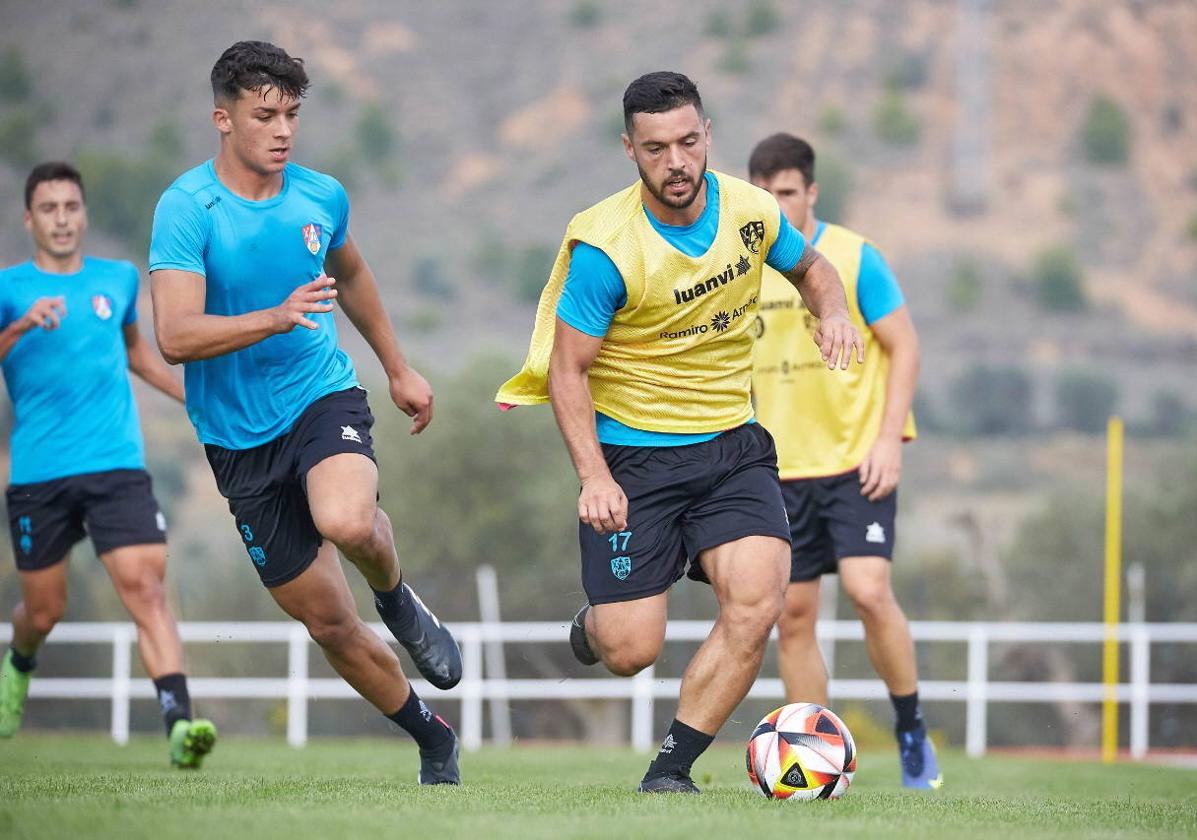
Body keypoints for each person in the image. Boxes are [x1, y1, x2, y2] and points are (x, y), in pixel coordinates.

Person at [497, 72, 862, 794]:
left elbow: (811, 268)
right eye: (657, 147)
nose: (677, 163)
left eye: (689, 143)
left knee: (759, 603)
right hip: (633, 458)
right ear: (629, 149)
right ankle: (597, 624)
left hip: (731, 445)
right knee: (631, 649)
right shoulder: (606, 249)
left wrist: (834, 312)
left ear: (707, 139)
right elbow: (569, 373)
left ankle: (670, 770)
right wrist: (594, 476)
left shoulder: (752, 212)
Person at [148, 41, 462, 784]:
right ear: (223, 120)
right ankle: (432, 739)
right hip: (234, 439)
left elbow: (350, 273)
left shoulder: (321, 196)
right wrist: (273, 314)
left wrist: (397, 367)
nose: (282, 129)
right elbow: (174, 336)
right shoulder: (186, 209)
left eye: (291, 113)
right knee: (326, 623)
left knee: (348, 521)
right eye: (265, 116)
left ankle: (399, 601)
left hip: (319, 392)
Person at [0, 162, 217, 768]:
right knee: (44, 611)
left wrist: (196, 401)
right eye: (49, 209)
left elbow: (138, 357)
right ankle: (19, 665)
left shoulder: (118, 280)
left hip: (116, 463)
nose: (63, 219)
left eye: (72, 207)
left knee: (147, 588)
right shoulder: (7, 288)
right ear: (29, 219)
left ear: (84, 214)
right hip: (39, 475)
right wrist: (18, 327)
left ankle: (180, 726)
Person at [748, 132, 941, 789]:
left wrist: (889, 440)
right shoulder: (743, 266)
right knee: (792, 617)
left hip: (857, 461)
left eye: (787, 193)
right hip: (779, 473)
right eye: (764, 195)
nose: (776, 204)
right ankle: (815, 756)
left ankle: (910, 726)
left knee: (866, 590)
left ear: (810, 193)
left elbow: (904, 347)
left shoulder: (855, 257)